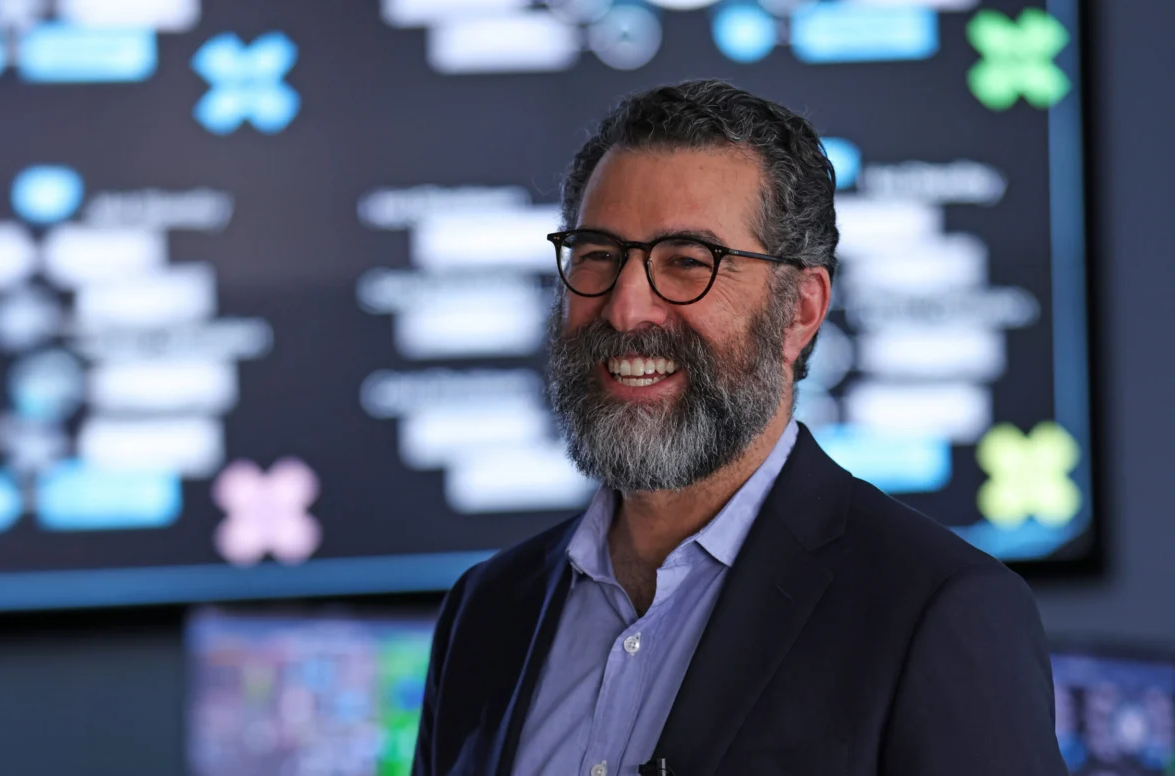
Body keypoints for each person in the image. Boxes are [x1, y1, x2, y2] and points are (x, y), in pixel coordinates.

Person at [411, 80, 1066, 776]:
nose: (627, 309)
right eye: (598, 255)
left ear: (801, 311)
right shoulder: (486, 614)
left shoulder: (935, 612)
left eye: (688, 263)